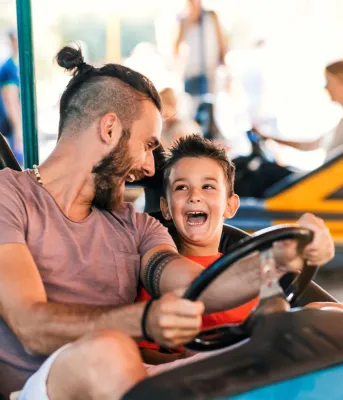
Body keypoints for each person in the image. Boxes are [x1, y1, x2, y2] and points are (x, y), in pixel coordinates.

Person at [0, 45, 334, 400]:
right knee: (110, 353)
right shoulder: (10, 196)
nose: (147, 167)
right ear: (110, 129)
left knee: (319, 319)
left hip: (135, 381)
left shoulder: (136, 226)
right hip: (41, 389)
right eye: (146, 145)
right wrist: (142, 321)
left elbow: (197, 285)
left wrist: (279, 258)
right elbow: (29, 325)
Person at [136, 135, 259, 364]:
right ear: (165, 207)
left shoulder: (246, 269)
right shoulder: (159, 277)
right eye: (182, 187)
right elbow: (144, 354)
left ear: (230, 205)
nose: (195, 196)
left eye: (208, 186)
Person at [255, 60, 343, 162]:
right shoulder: (339, 125)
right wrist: (268, 138)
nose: (326, 87)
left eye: (329, 82)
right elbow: (311, 145)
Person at [174, 0, 227, 115]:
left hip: (210, 71)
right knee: (193, 108)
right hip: (192, 71)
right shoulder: (184, 20)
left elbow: (221, 41)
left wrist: (224, 64)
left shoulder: (211, 16)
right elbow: (176, 47)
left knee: (212, 107)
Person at [0, 29, 23, 164]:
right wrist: (18, 129)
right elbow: (10, 100)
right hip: (8, 129)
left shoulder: (11, 66)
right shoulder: (10, 68)